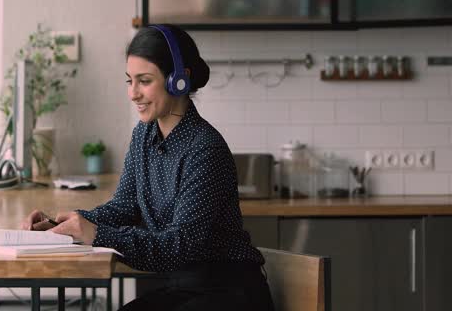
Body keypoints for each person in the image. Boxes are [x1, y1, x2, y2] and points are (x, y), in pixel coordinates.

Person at [22, 24, 275, 310]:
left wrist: (94, 233)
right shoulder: (144, 135)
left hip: (228, 294)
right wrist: (65, 225)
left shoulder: (205, 149)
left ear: (178, 80)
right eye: (129, 81)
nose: (133, 93)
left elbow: (178, 247)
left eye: (144, 81)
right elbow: (124, 208)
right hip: (185, 289)